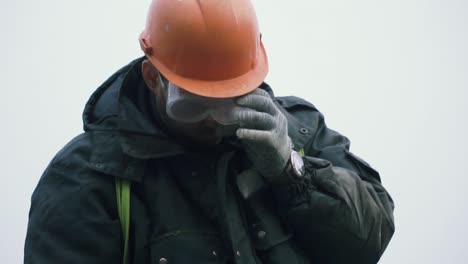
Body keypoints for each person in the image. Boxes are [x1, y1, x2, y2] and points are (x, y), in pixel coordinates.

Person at [24, 0, 395, 263]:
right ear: (153, 78)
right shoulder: (88, 177)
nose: (214, 120)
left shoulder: (298, 129)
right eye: (193, 102)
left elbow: (369, 242)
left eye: (228, 100)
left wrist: (292, 173)